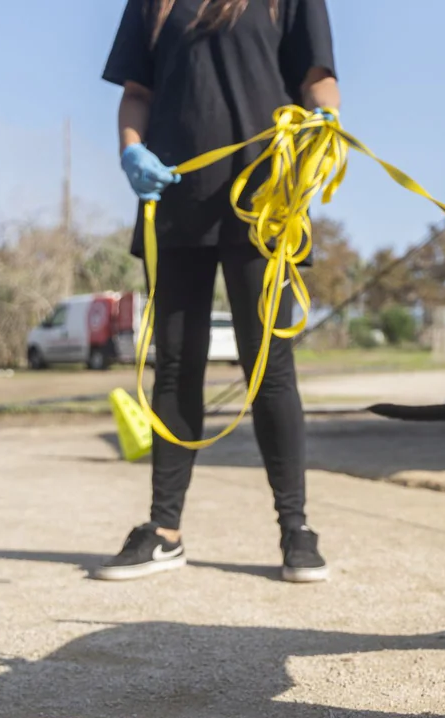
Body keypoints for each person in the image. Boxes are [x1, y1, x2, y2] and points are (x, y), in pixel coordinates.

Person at [96, 0, 340, 583]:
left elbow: (318, 79)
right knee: (177, 364)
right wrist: (132, 148)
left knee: (269, 363)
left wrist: (325, 122)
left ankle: (296, 530)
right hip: (174, 199)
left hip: (265, 201)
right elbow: (137, 93)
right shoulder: (154, 4)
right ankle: (163, 531)